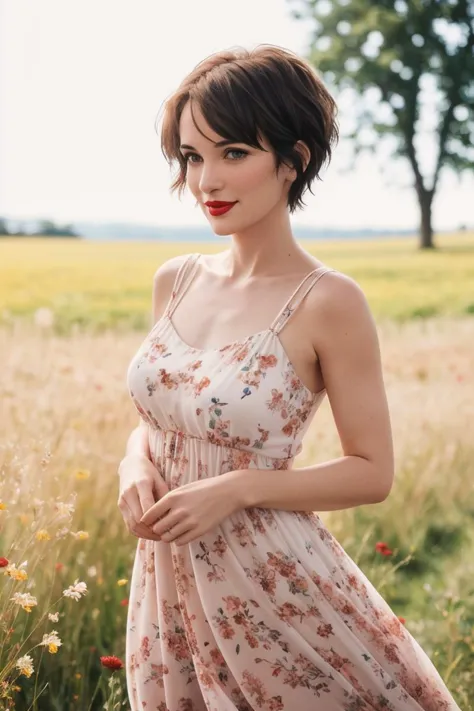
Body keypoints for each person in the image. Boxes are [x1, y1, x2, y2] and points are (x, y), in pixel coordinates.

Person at [118, 45, 461, 711]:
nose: (206, 179)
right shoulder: (176, 279)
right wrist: (133, 464)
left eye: (234, 153)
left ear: (293, 160)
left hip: (269, 582)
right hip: (166, 579)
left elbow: (372, 471)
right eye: (192, 156)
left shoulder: (327, 300)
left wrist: (242, 487)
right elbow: (159, 418)